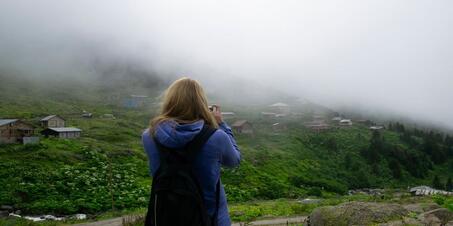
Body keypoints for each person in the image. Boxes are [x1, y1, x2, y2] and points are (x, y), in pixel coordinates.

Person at [142, 77, 241, 226]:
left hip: (166, 218)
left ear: (169, 101)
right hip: (210, 220)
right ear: (201, 104)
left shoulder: (149, 136)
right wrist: (221, 124)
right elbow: (234, 161)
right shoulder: (216, 136)